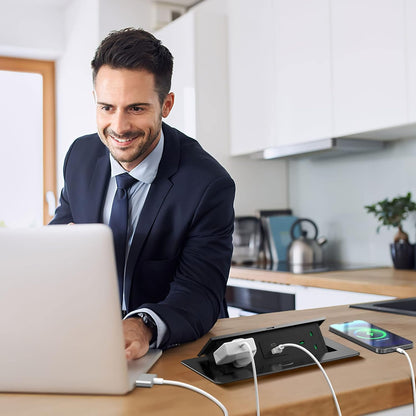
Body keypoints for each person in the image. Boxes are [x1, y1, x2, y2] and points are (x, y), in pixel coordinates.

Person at [50, 28, 235, 360]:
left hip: (178, 350)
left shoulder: (208, 184)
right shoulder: (79, 156)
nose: (119, 127)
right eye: (107, 107)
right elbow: (60, 238)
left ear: (166, 104)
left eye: (135, 108)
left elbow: (200, 292)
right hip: (92, 342)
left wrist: (143, 325)